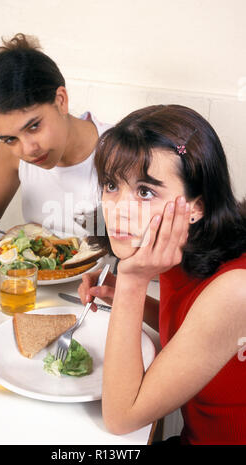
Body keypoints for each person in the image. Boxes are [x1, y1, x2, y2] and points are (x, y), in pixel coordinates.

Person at [78, 104, 246, 445]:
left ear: (196, 206)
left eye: (145, 192)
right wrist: (128, 297)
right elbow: (194, 329)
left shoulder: (235, 288)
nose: (118, 211)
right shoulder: (179, 250)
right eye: (111, 185)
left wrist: (132, 283)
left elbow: (121, 418)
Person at [0, 33, 110, 236]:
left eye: (34, 126)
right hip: (38, 268)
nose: (28, 149)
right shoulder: (10, 154)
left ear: (61, 100)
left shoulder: (122, 151)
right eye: (10, 139)